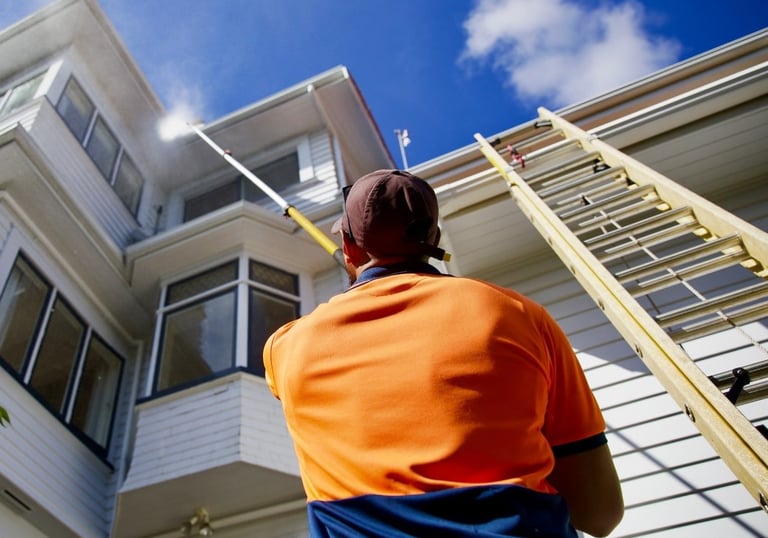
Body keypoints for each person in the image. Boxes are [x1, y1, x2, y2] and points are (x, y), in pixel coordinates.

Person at [263, 169, 623, 537]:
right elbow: (599, 514)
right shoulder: (520, 315)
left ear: (348, 245)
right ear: (433, 237)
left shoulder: (286, 346)